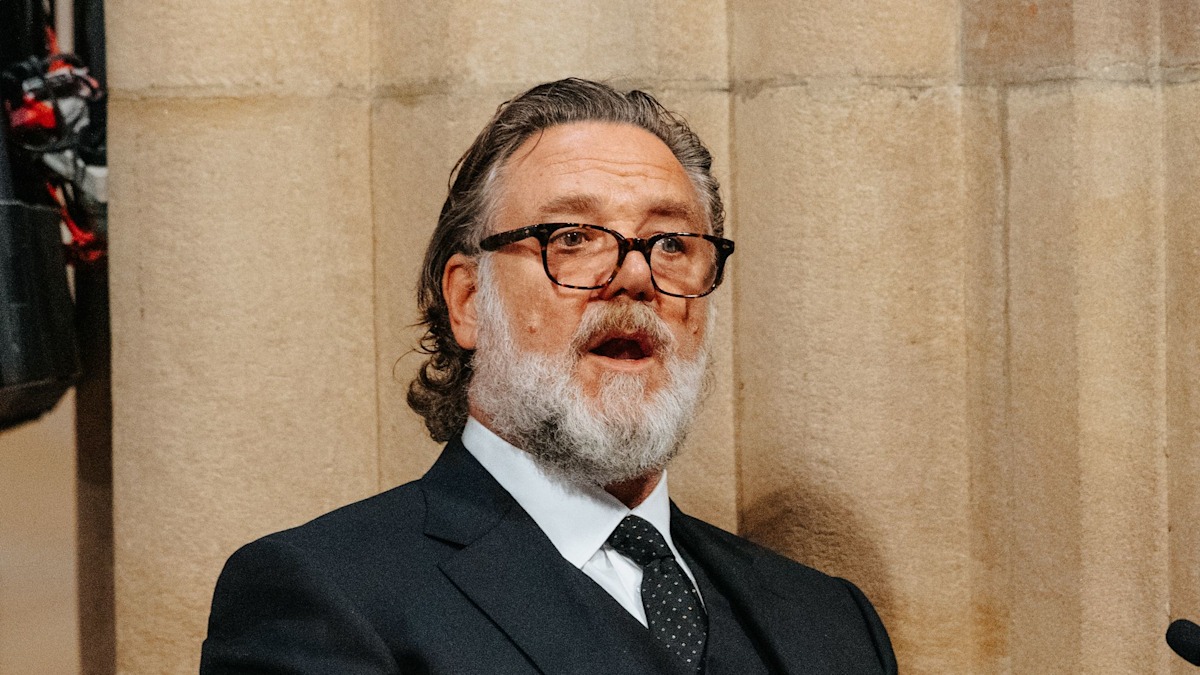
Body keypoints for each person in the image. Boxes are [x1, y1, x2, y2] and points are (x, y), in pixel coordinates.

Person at [200, 78, 896, 674]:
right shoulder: (323, 594)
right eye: (571, 238)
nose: (634, 276)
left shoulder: (829, 621)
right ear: (468, 301)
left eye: (672, 242)